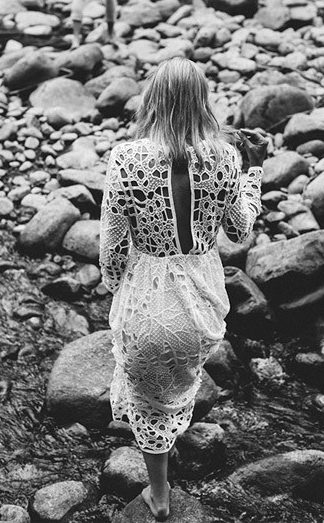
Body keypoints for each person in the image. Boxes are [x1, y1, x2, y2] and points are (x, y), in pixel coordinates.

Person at [99, 58, 267, 520]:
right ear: (202, 103)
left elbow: (111, 252)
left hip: (146, 298)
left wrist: (117, 288)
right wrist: (252, 180)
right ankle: (168, 468)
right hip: (199, 302)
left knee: (148, 400)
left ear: (153, 99)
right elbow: (238, 231)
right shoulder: (225, 158)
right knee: (176, 386)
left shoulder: (124, 160)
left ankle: (159, 494)